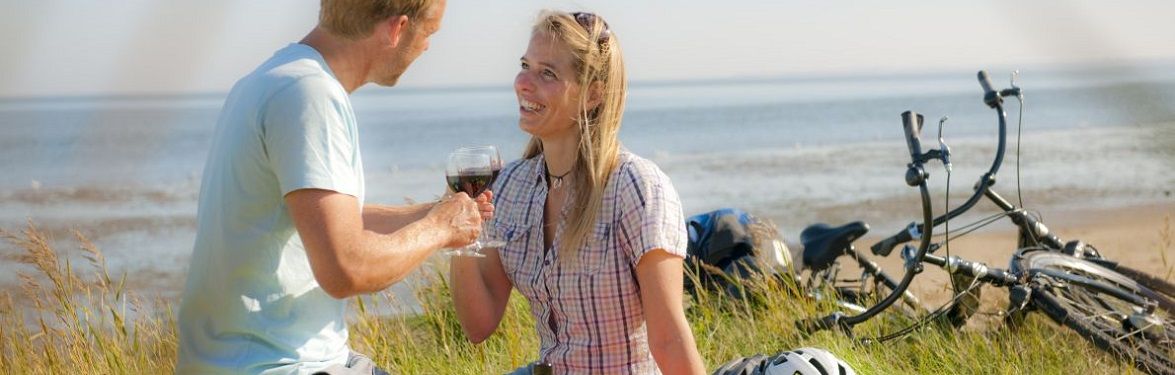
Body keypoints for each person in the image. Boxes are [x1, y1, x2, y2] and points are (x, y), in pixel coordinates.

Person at [176, 1, 489, 374]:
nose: (427, 47)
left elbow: (328, 223)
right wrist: (438, 229)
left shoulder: (276, 78)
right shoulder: (311, 96)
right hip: (281, 367)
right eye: (429, 32)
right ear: (397, 28)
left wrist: (435, 212)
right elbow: (346, 269)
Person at [449, 10, 706, 374]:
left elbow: (669, 340)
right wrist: (458, 235)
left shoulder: (636, 187)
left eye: (547, 73)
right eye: (525, 65)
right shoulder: (510, 187)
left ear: (593, 94)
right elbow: (478, 325)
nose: (523, 82)